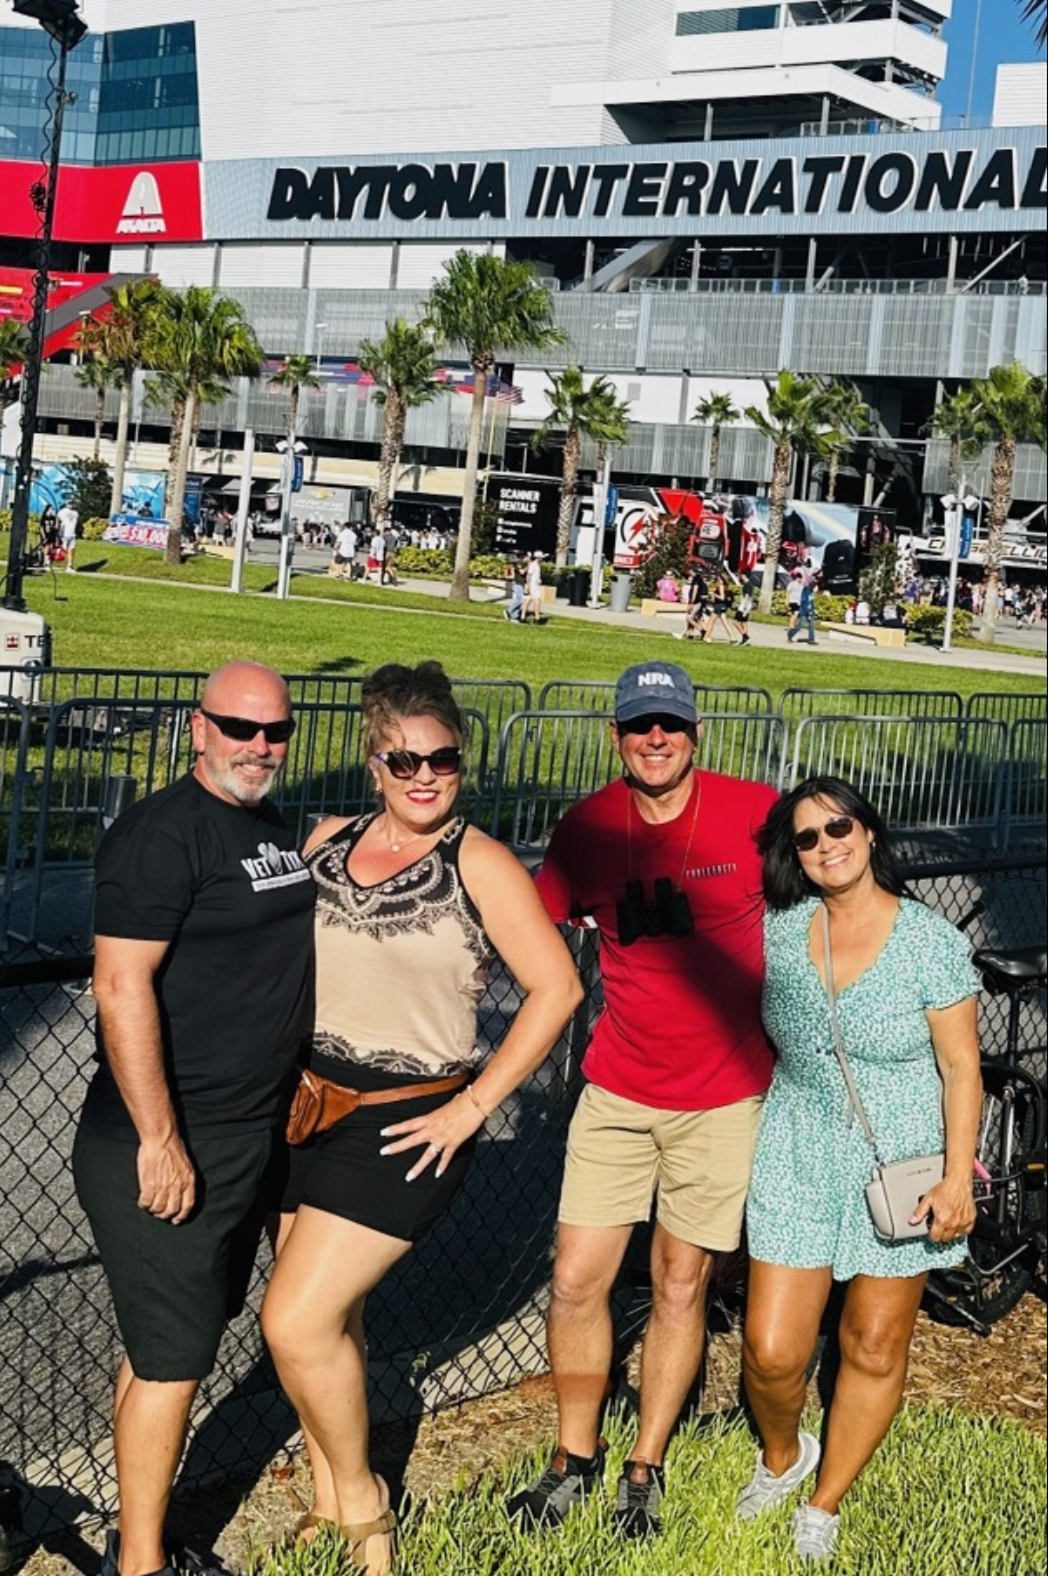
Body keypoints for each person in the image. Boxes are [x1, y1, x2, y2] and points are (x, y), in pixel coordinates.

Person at [261, 661, 583, 1576]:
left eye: (442, 759)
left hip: (408, 1121)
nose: (425, 777)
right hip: (306, 1107)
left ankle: (365, 1504)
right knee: (336, 1321)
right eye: (404, 761)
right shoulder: (325, 841)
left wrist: (473, 1106)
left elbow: (557, 988)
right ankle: (328, 1501)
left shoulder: (478, 862)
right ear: (375, 764)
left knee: (293, 1322)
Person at [508, 661, 777, 1538]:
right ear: (615, 737)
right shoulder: (586, 828)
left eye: (669, 724)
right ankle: (573, 1456)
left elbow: (837, 897)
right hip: (617, 1091)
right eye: (637, 726)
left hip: (724, 1096)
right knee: (575, 1278)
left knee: (680, 1281)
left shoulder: (755, 813)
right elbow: (530, 930)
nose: (654, 739)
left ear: (696, 733)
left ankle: (644, 1464)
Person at [72, 663, 316, 1576]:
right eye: (238, 728)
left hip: (250, 1133)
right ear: (197, 727)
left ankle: (140, 1536)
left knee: (166, 1351)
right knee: (173, 1363)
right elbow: (119, 983)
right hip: (170, 1140)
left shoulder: (268, 826)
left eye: (275, 731)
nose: (259, 746)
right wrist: (161, 1139)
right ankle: (140, 1564)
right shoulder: (160, 835)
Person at [739, 777, 981, 1565]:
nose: (826, 845)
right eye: (807, 838)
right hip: (797, 1147)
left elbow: (962, 1068)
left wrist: (956, 1178)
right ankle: (784, 1456)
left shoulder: (930, 942)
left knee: (873, 1343)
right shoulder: (780, 930)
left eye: (839, 826)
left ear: (869, 831)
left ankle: (825, 1501)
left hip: (900, 1157)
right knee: (772, 1350)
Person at [787, 558, 818, 645]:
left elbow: (811, 600)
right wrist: (806, 609)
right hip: (804, 609)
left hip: (808, 608)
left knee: (811, 624)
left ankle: (811, 639)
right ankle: (791, 634)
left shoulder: (811, 590)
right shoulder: (806, 588)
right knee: (800, 625)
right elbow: (804, 600)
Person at [521, 552, 545, 622]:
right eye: (541, 557)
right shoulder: (534, 565)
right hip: (533, 585)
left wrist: (538, 579)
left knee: (527, 600)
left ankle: (523, 616)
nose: (542, 559)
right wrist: (528, 585)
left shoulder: (537, 565)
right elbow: (528, 575)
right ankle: (537, 618)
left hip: (534, 585)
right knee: (537, 601)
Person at [57, 500, 79, 572]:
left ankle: (69, 565)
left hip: (72, 534)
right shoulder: (62, 512)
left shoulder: (75, 513)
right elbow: (58, 520)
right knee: (63, 550)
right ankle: (59, 562)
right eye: (69, 504)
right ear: (66, 504)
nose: (70, 505)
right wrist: (59, 530)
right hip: (64, 534)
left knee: (72, 550)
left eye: (72, 504)